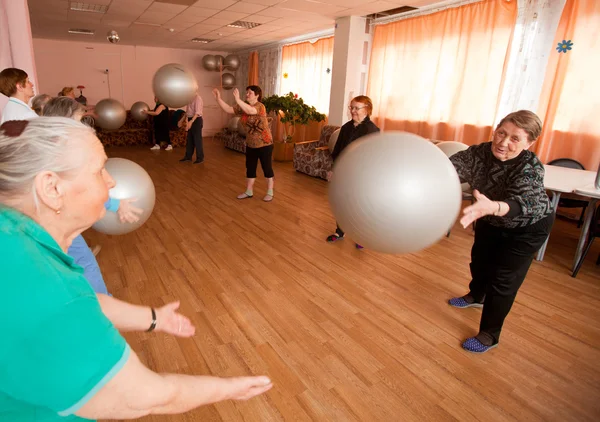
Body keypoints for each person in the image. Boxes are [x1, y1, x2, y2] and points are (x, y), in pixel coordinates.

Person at [0, 118, 273, 422]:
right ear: (51, 188)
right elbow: (141, 398)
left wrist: (153, 319)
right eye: (99, 170)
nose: (112, 181)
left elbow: (86, 299)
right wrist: (230, 389)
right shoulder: (47, 288)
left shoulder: (13, 234)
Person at [448, 110, 555, 354]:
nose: (503, 143)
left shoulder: (530, 167)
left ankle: (489, 334)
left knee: (503, 280)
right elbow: (450, 167)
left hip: (527, 227)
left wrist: (495, 207)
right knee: (480, 262)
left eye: (515, 139)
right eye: (501, 133)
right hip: (488, 216)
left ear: (529, 143)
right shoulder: (479, 153)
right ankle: (477, 295)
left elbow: (528, 202)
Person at [43, 96, 143, 293]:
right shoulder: (65, 148)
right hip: (53, 222)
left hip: (47, 220)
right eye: (79, 120)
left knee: (71, 264)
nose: (83, 125)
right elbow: (81, 188)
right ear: (65, 119)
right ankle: (100, 305)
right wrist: (115, 204)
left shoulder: (47, 142)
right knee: (83, 262)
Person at [326, 95, 380, 248]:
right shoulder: (346, 127)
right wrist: (333, 169)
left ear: (367, 110)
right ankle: (340, 231)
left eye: (357, 108)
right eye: (351, 107)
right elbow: (337, 151)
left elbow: (373, 157)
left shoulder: (372, 130)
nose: (353, 111)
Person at [213, 86, 275, 201]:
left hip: (264, 143)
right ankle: (249, 191)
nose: (247, 94)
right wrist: (218, 98)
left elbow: (250, 111)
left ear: (257, 95)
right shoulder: (243, 107)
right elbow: (228, 109)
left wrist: (238, 99)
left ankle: (270, 192)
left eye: (250, 93)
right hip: (251, 144)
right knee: (250, 168)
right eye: (246, 92)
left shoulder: (260, 106)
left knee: (267, 168)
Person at [180, 91, 204, 164]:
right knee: (189, 139)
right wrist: (181, 120)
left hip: (196, 120)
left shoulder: (198, 98)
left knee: (197, 140)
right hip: (191, 119)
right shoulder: (189, 99)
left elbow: (197, 113)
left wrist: (191, 122)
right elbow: (187, 112)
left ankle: (200, 158)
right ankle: (188, 157)